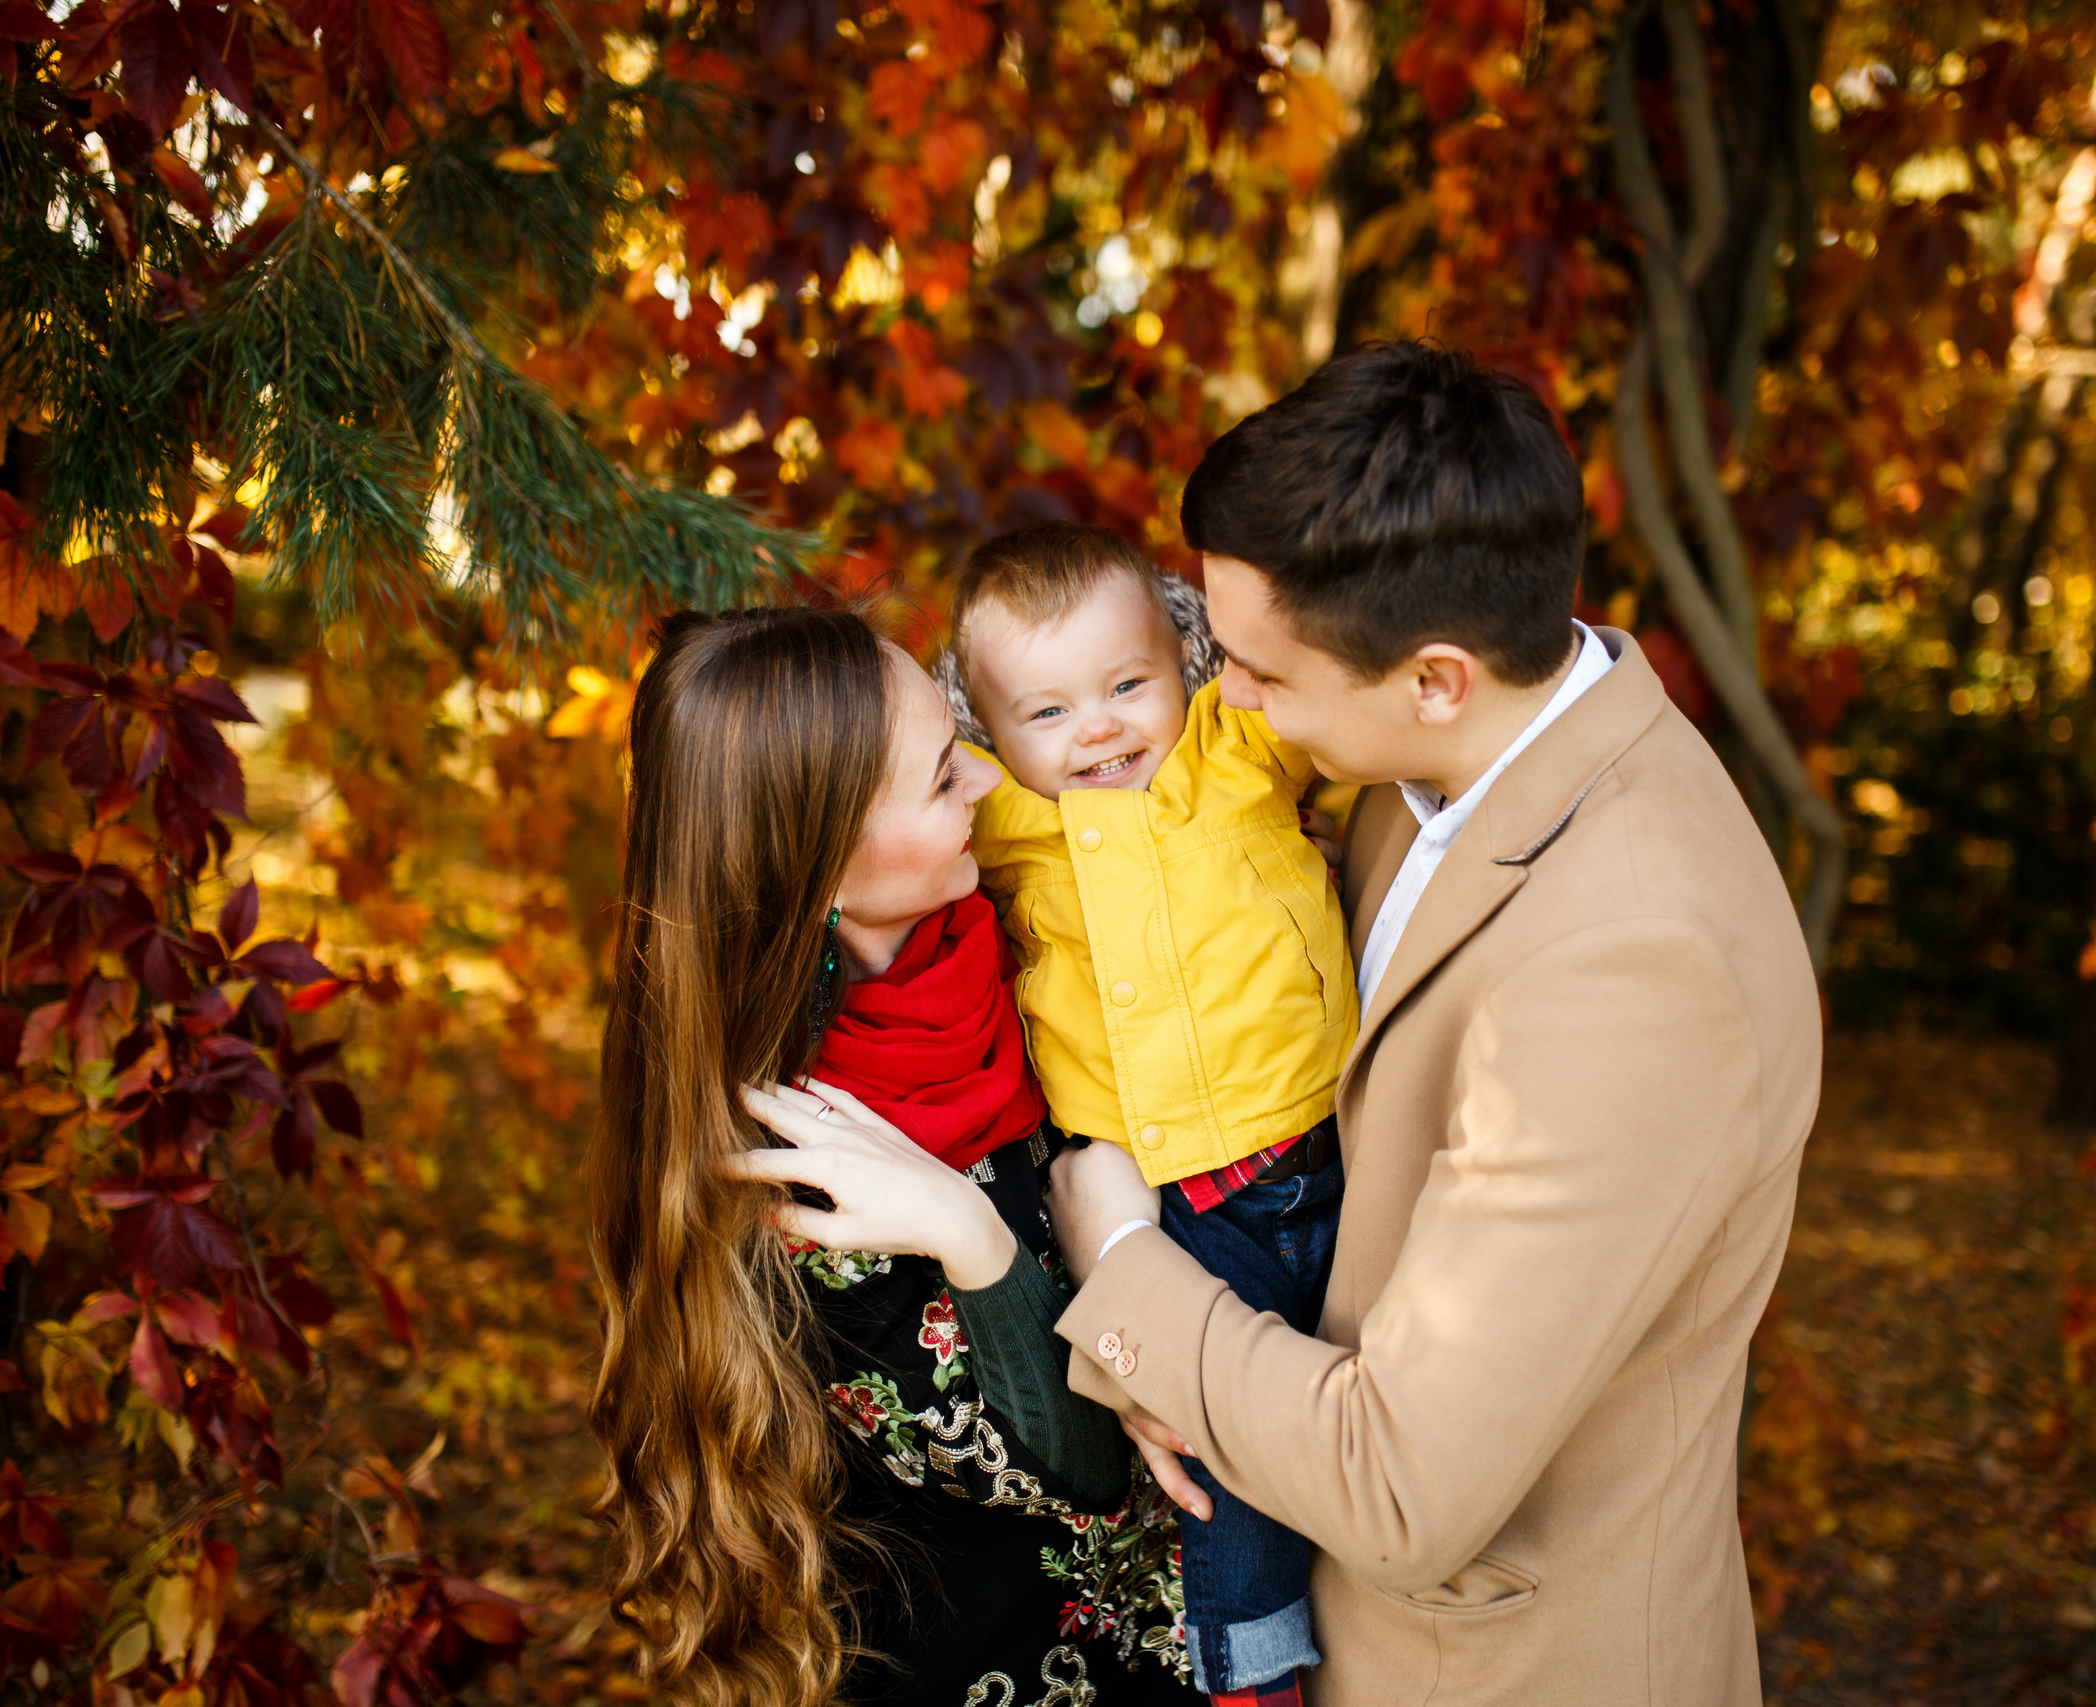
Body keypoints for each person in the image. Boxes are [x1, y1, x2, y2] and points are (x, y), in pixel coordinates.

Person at [1043, 342, 1824, 1706]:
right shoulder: (1423, 774)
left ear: (1437, 675)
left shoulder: (1635, 966)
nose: (1229, 703)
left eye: (1265, 674)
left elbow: (1403, 1480)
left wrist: (1119, 1260)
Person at [585, 608, 1198, 1707]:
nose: (985, 783)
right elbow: (1087, 1472)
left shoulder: (1020, 928)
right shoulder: (789, 1166)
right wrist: (977, 1240)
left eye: (956, 742)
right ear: (816, 869)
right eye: (936, 781)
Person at [939, 521, 1357, 1707]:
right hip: (1181, 1209)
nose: (1101, 729)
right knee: (1220, 1453)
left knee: (1371, 1421)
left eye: (1128, 686)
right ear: (988, 732)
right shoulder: (1001, 828)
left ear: (1183, 666)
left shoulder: (1228, 753)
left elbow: (1318, 670)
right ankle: (1252, 1675)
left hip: (1330, 1152)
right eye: (1049, 712)